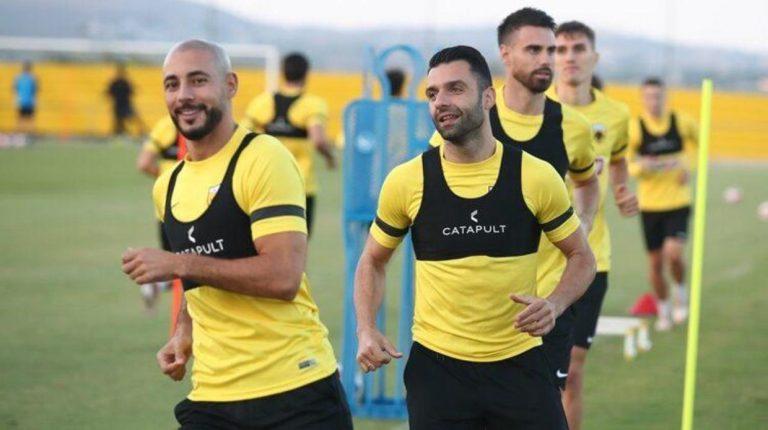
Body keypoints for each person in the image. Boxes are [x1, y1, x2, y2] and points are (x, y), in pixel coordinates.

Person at [355, 45, 595, 430]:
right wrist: (366, 329)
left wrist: (554, 304)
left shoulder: (534, 176)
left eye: (455, 89)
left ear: (488, 98)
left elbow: (582, 257)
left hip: (521, 367)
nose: (441, 101)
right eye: (432, 93)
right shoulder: (406, 181)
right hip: (438, 374)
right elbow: (372, 260)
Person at [121, 39, 352, 429]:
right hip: (212, 395)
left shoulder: (263, 158)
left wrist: (178, 263)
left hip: (294, 390)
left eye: (198, 80)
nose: (183, 95)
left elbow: (283, 277)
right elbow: (199, 281)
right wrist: (183, 331)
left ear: (230, 85)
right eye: (172, 84)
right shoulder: (167, 186)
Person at [433, 8, 600, 391]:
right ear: (505, 55)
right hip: (479, 312)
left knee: (545, 408)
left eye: (551, 50)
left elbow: (587, 182)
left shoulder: (573, 127)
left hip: (546, 305)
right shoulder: (472, 117)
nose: (546, 59)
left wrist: (584, 221)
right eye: (533, 50)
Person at [551, 20, 639, 430]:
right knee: (530, 375)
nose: (570, 57)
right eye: (561, 49)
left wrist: (621, 190)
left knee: (571, 372)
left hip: (590, 259)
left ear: (594, 56)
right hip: (533, 260)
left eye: (578, 48)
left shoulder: (616, 115)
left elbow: (618, 159)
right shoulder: (536, 111)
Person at [629, 77, 698, 331]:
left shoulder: (681, 122)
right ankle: (664, 309)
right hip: (650, 206)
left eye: (658, 96)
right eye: (649, 96)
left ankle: (680, 292)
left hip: (678, 202)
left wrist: (688, 166)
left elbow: (700, 144)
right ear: (642, 98)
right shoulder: (636, 128)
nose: (654, 101)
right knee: (656, 264)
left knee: (674, 254)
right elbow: (626, 163)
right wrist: (641, 167)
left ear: (665, 97)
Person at [242, 53, 336, 236]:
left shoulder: (261, 103)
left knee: (261, 240)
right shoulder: (312, 105)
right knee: (297, 243)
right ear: (306, 74)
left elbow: (241, 136)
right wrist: (329, 157)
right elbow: (318, 140)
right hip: (300, 186)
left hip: (265, 184)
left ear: (282, 72)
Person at [135, 115, 185, 310]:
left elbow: (144, 163)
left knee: (181, 266)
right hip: (199, 206)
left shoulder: (165, 126)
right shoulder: (209, 122)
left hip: (167, 210)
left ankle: (157, 283)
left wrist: (165, 179)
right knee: (196, 266)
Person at [107, 63, 145, 136]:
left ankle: (140, 131)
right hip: (118, 105)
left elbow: (132, 91)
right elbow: (109, 92)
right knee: (119, 121)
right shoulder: (115, 83)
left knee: (134, 118)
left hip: (126, 104)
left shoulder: (125, 83)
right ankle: (119, 132)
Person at [14, 61, 38, 134]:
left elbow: (15, 89)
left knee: (23, 117)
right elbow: (35, 90)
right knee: (28, 117)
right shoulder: (32, 78)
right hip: (27, 100)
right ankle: (27, 132)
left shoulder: (19, 77)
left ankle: (23, 132)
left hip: (24, 100)